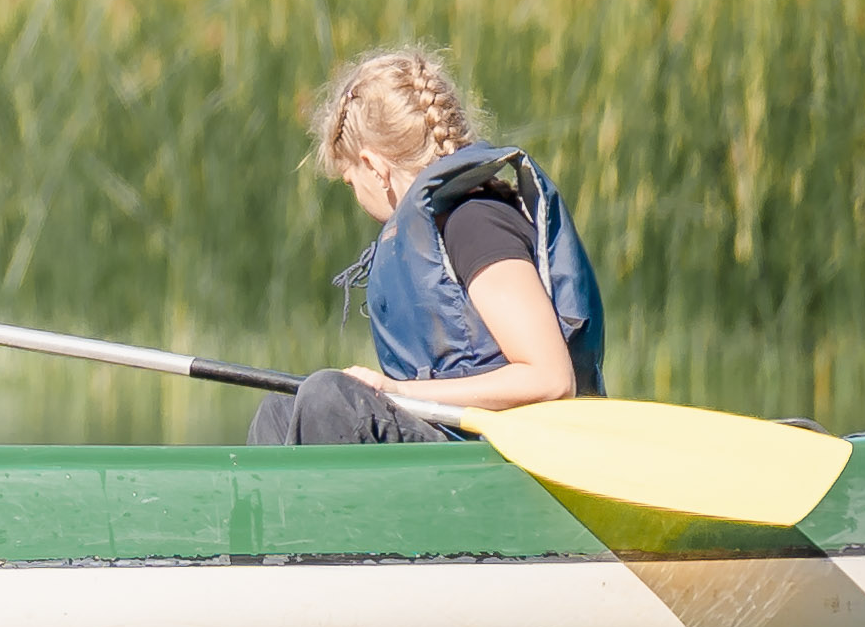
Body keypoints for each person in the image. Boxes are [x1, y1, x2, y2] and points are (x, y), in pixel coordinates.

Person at [257, 43, 605, 450]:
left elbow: (550, 378)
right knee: (279, 414)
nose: (357, 197)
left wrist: (397, 391)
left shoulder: (476, 224)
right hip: (457, 445)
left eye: (351, 182)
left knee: (328, 400)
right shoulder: (445, 226)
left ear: (373, 166)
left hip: (509, 457)